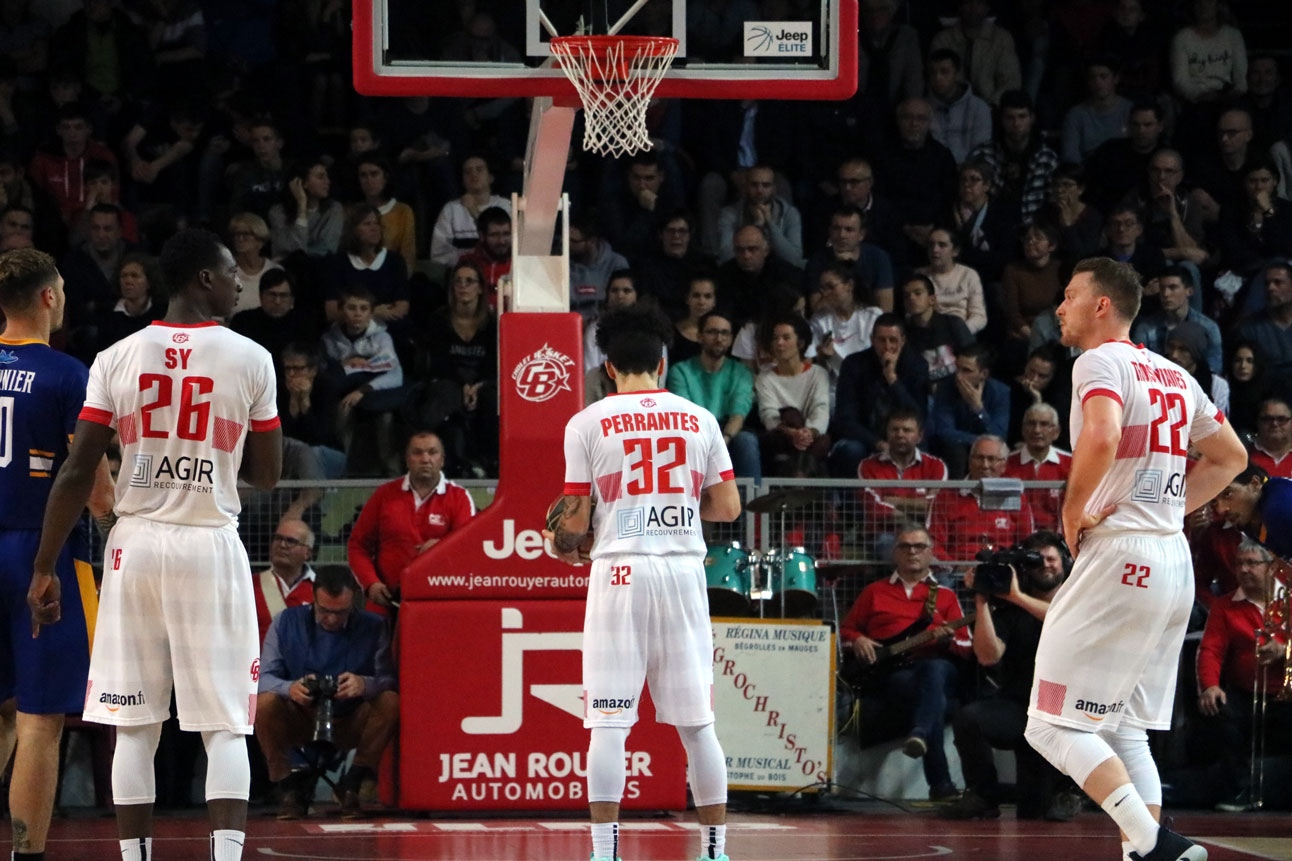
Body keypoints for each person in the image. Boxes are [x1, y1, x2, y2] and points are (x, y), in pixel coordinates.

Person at [29, 228, 283, 861]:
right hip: (207, 542)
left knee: (133, 724)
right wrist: (214, 451)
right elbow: (268, 474)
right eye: (230, 273)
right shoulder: (251, 357)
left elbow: (77, 469)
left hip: (134, 543)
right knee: (224, 724)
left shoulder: (115, 357)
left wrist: (44, 567)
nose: (237, 281)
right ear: (203, 278)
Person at [1022, 257, 1247, 861]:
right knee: (1123, 729)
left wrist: (1075, 511)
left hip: (1122, 554)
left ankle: (1153, 844)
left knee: (1049, 725)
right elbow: (1230, 458)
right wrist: (1171, 511)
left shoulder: (1097, 361)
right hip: (1173, 561)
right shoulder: (1174, 373)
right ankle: (1148, 853)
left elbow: (1100, 434)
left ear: (1102, 305)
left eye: (1069, 296)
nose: (1059, 306)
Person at [545, 304, 741, 861]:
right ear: (663, 361)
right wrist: (673, 504)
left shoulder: (585, 423)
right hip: (682, 571)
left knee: (608, 723)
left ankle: (605, 853)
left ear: (607, 367)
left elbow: (576, 523)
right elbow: (726, 507)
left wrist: (565, 540)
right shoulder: (699, 418)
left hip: (620, 572)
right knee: (698, 726)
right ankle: (714, 851)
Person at [0, 248, 113, 861]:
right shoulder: (69, 374)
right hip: (39, 552)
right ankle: (29, 855)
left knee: (2, 710)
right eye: (63, 289)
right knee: (41, 719)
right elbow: (92, 482)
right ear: (48, 296)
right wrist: (118, 525)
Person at [941, 530, 1077, 821]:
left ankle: (1068, 792)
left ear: (1065, 562)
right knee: (969, 718)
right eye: (1036, 560)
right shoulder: (1012, 607)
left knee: (1035, 811)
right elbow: (988, 656)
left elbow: (1063, 619)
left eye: (1051, 559)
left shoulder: (1078, 599)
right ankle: (982, 794)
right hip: (1019, 706)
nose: (1045, 565)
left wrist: (1015, 596)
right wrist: (981, 602)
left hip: (1063, 712)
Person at [839, 523, 972, 803]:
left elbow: (967, 645)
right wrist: (859, 640)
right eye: (905, 546)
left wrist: (945, 640)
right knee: (931, 698)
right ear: (894, 553)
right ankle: (940, 785)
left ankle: (921, 735)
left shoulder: (945, 596)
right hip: (892, 674)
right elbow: (846, 631)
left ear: (930, 553)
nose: (912, 552)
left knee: (935, 670)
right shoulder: (874, 592)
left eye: (919, 546)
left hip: (935, 667)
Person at [255, 565, 399, 820]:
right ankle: (286, 787)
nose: (331, 619)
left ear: (355, 600)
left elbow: (389, 680)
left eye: (341, 613)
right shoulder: (285, 622)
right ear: (313, 597)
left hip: (350, 719)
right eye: (324, 611)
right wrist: (290, 688)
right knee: (264, 703)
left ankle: (353, 782)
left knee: (390, 702)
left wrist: (364, 684)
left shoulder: (375, 626)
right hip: (300, 716)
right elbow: (262, 678)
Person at [1194, 537, 1292, 813]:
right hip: (1246, 692)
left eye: (1252, 564)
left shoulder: (1289, 599)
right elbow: (1211, 649)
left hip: (1285, 692)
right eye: (1239, 564)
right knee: (1221, 714)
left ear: (1270, 567)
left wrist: (1285, 649)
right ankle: (1239, 790)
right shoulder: (1226, 606)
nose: (1244, 570)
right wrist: (1210, 685)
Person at [347, 431, 476, 610]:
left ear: (442, 460)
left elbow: (468, 548)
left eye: (432, 452)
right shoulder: (384, 495)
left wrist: (441, 548)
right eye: (417, 452)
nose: (425, 459)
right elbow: (357, 546)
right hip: (385, 604)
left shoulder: (459, 497)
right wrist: (370, 584)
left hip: (438, 604)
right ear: (407, 460)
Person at [829, 313, 929, 477]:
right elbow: (845, 418)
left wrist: (893, 380)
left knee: (920, 445)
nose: (887, 347)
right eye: (881, 340)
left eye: (893, 340)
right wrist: (878, 443)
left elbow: (918, 415)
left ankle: (913, 498)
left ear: (903, 340)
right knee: (851, 449)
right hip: (865, 437)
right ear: (872, 339)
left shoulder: (917, 365)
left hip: (903, 434)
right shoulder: (854, 364)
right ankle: (852, 502)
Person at [666, 310, 760, 481]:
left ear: (731, 339)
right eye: (712, 332)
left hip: (728, 433)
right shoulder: (680, 371)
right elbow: (686, 415)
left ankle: (753, 506)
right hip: (694, 432)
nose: (719, 338)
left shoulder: (741, 372)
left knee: (746, 441)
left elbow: (738, 413)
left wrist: (724, 439)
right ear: (699, 336)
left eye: (724, 333)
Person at [928, 434, 1034, 564]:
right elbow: (934, 543)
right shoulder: (946, 497)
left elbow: (1027, 543)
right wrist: (955, 567)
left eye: (992, 459)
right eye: (979, 458)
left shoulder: (1017, 497)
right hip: (957, 573)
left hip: (1005, 571)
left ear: (1004, 465)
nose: (985, 465)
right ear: (969, 461)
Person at [1005, 403, 1072, 535]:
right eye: (1031, 424)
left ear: (1056, 432)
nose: (1037, 430)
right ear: (1023, 430)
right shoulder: (1006, 464)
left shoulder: (1071, 464)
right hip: (1018, 541)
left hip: (1060, 542)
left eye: (1044, 424)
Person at [253, 518, 317, 645]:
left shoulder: (320, 589)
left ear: (307, 552)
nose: (282, 545)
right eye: (278, 538)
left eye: (291, 541)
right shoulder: (251, 585)